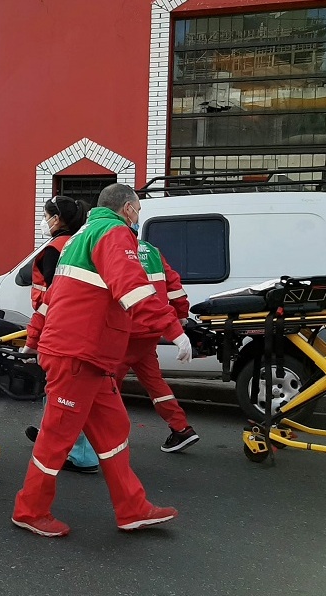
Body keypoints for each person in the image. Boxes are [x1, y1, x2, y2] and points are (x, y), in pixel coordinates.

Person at [12, 183, 192, 537]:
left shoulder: (80, 238)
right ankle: (30, 510)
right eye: (138, 210)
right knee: (56, 438)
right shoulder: (114, 233)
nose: (138, 218)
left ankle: (132, 508)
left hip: (85, 354)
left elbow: (52, 299)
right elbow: (132, 287)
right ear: (127, 209)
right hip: (79, 354)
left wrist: (35, 340)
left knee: (113, 432)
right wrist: (173, 328)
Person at [22, 196, 100, 474]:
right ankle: (59, 440)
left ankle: (74, 453)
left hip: (60, 327)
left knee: (64, 392)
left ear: (56, 219)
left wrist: (34, 337)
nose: (44, 221)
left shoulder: (56, 248)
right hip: (85, 328)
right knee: (81, 393)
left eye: (45, 215)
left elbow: (53, 294)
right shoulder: (82, 243)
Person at [118, 237, 199, 453]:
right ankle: (181, 428)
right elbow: (174, 286)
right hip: (151, 330)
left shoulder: (115, 247)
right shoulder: (152, 250)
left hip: (126, 329)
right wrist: (181, 314)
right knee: (155, 383)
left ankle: (101, 437)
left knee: (104, 386)